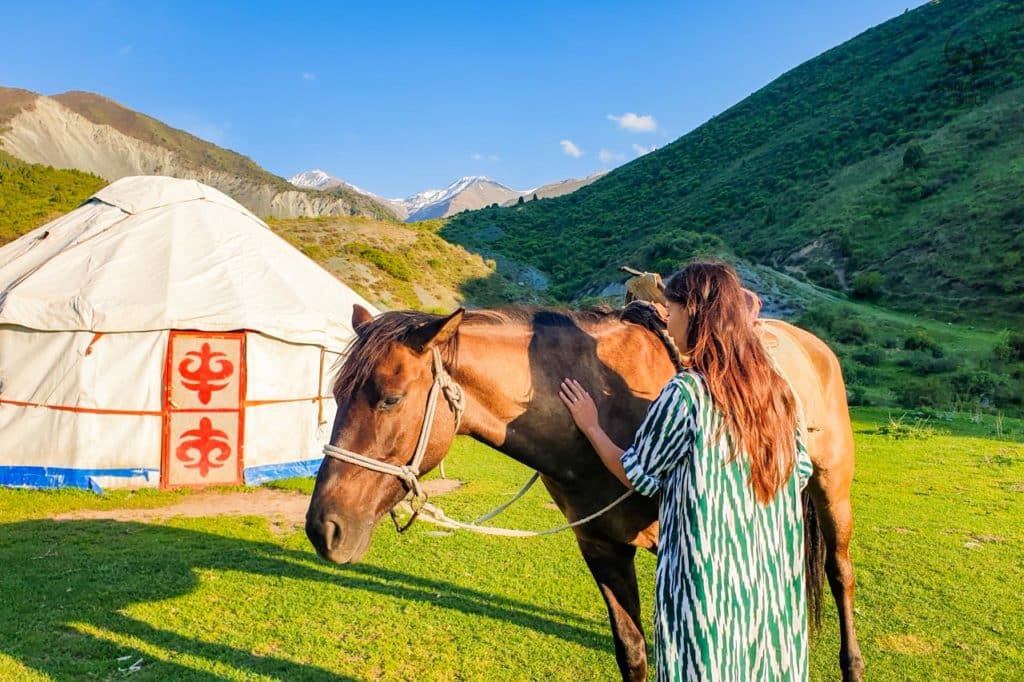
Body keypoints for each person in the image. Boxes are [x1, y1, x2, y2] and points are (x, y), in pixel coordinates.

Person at [559, 261, 812, 681]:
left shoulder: (686, 394)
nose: (668, 323)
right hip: (771, 582)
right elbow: (798, 470)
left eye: (672, 312)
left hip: (706, 581)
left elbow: (636, 473)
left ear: (695, 314)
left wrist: (591, 425)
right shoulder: (777, 389)